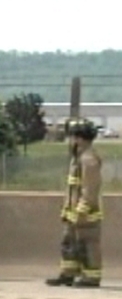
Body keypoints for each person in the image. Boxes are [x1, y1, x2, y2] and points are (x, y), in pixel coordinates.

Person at [46, 117, 103, 288]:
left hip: (85, 212)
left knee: (87, 244)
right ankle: (68, 273)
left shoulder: (88, 159)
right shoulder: (77, 158)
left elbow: (90, 189)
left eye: (72, 136)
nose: (70, 140)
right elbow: (72, 188)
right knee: (69, 242)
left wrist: (82, 210)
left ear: (80, 138)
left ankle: (91, 277)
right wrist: (67, 209)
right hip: (72, 211)